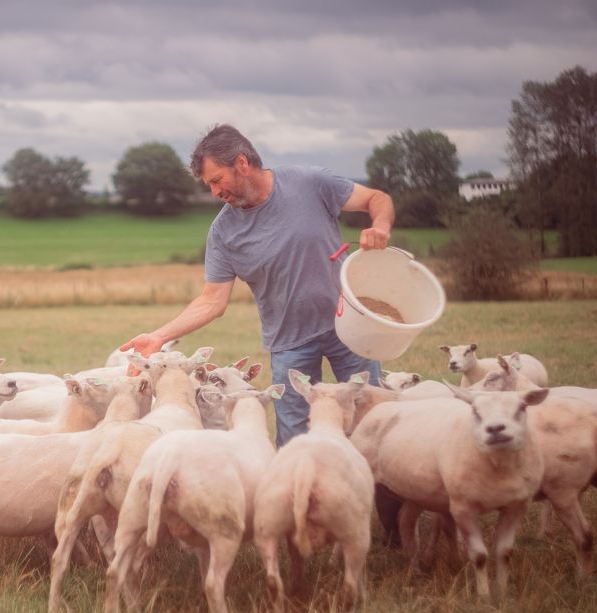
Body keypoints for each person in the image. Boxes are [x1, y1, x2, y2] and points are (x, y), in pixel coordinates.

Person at [120, 124, 395, 447]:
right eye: (209, 185)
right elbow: (212, 301)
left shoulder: (309, 183)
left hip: (349, 328)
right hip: (289, 344)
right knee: (295, 436)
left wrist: (379, 226)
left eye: (216, 180)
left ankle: (380, 496)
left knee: (373, 422)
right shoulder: (223, 232)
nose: (214, 193)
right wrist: (159, 336)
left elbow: (377, 198)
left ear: (241, 163)